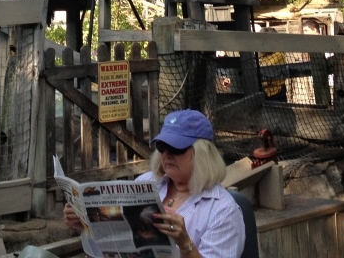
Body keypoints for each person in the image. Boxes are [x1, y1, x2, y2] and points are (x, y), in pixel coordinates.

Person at [64, 109, 244, 258]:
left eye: (175, 148)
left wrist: (185, 244)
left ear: (203, 154)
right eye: (162, 147)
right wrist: (88, 224)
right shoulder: (146, 182)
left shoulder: (222, 210)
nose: (166, 154)